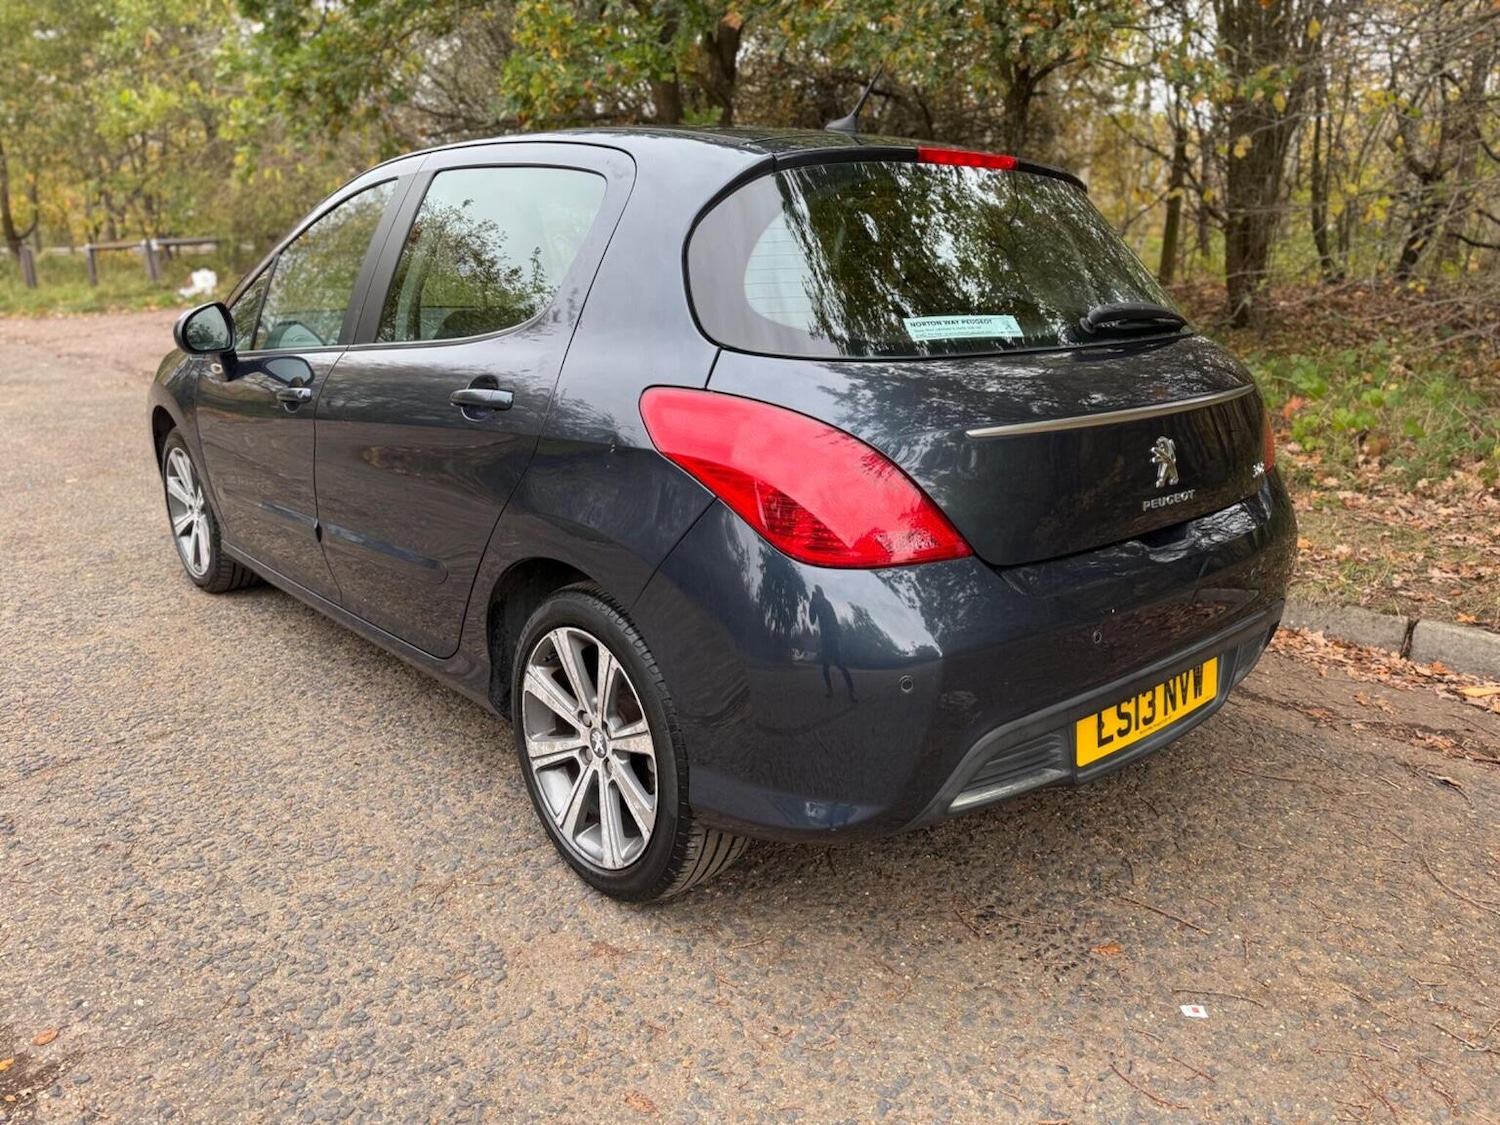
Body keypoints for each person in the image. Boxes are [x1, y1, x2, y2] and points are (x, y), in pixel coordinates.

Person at [808, 585, 856, 702]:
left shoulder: (827, 604)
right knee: (826, 667)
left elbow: (833, 620)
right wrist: (811, 606)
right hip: (825, 639)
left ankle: (851, 690)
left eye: (818, 594)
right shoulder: (817, 605)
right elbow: (812, 620)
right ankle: (830, 690)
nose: (817, 596)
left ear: (821, 594)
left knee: (841, 665)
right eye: (816, 595)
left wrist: (838, 636)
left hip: (832, 638)